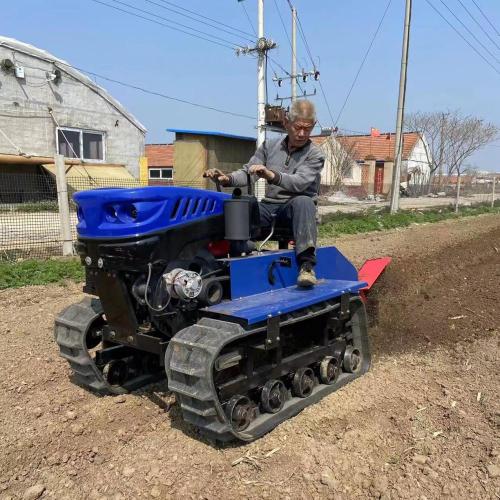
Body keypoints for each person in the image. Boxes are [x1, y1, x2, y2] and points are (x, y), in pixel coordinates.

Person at [205, 99, 325, 287]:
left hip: (295, 209)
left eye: (307, 129)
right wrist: (227, 179)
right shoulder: (270, 147)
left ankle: (307, 267)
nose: (302, 134)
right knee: (240, 207)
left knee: (304, 202)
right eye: (298, 127)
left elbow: (299, 183)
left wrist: (271, 175)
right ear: (287, 122)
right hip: (269, 207)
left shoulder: (315, 155)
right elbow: (248, 172)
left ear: (313, 126)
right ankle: (226, 260)